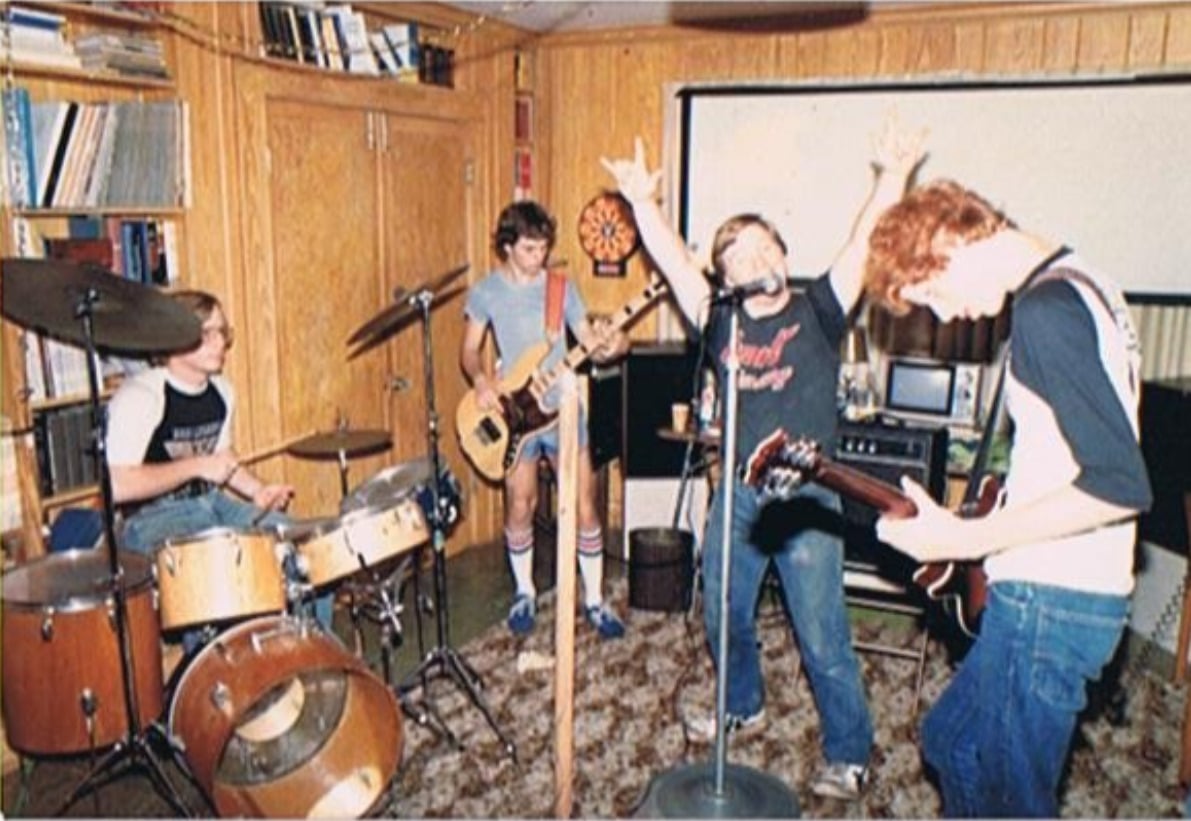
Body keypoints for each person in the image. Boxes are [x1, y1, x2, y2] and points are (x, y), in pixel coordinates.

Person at [600, 119, 924, 801]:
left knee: (822, 638)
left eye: (756, 247)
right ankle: (741, 703)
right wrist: (640, 204)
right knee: (724, 615)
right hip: (739, 500)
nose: (747, 262)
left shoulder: (819, 312)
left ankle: (849, 749)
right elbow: (672, 263)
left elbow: (861, 242)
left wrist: (891, 178)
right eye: (733, 258)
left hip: (806, 503)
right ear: (725, 277)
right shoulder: (720, 318)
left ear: (781, 250)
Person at [863, 179, 1153, 817]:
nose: (943, 318)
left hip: (1052, 603)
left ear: (951, 244)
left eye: (931, 294)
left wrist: (961, 539)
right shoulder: (1084, 280)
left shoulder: (1046, 312)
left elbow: (1120, 483)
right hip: (1060, 595)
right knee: (950, 739)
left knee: (1012, 799)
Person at [106, 289, 331, 650]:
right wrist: (196, 466)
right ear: (172, 337)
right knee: (214, 570)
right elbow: (117, 485)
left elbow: (223, 460)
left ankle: (314, 658)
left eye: (223, 331)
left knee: (303, 550)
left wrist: (258, 492)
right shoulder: (141, 395)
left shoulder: (222, 392)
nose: (220, 342)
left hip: (211, 503)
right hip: (150, 519)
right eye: (206, 332)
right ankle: (217, 681)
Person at [461, 200, 630, 640]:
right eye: (531, 249)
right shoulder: (485, 293)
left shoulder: (560, 287)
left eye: (543, 248)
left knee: (585, 507)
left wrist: (612, 344)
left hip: (564, 408)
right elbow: (469, 350)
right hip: (515, 415)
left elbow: (588, 336)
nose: (540, 258)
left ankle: (594, 599)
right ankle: (524, 592)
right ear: (508, 246)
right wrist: (481, 380)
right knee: (522, 504)